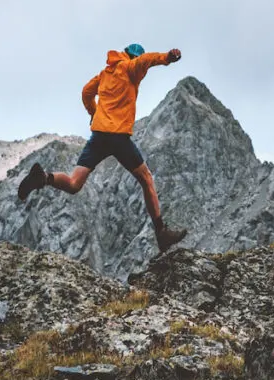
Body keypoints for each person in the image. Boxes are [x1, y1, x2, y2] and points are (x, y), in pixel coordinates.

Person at [17, 43, 188, 253]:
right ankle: (161, 233)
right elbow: (147, 61)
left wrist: (94, 113)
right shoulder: (131, 67)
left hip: (98, 136)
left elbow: (86, 92)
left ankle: (44, 177)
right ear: (134, 57)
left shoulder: (105, 73)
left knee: (74, 183)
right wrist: (168, 57)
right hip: (118, 137)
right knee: (146, 179)